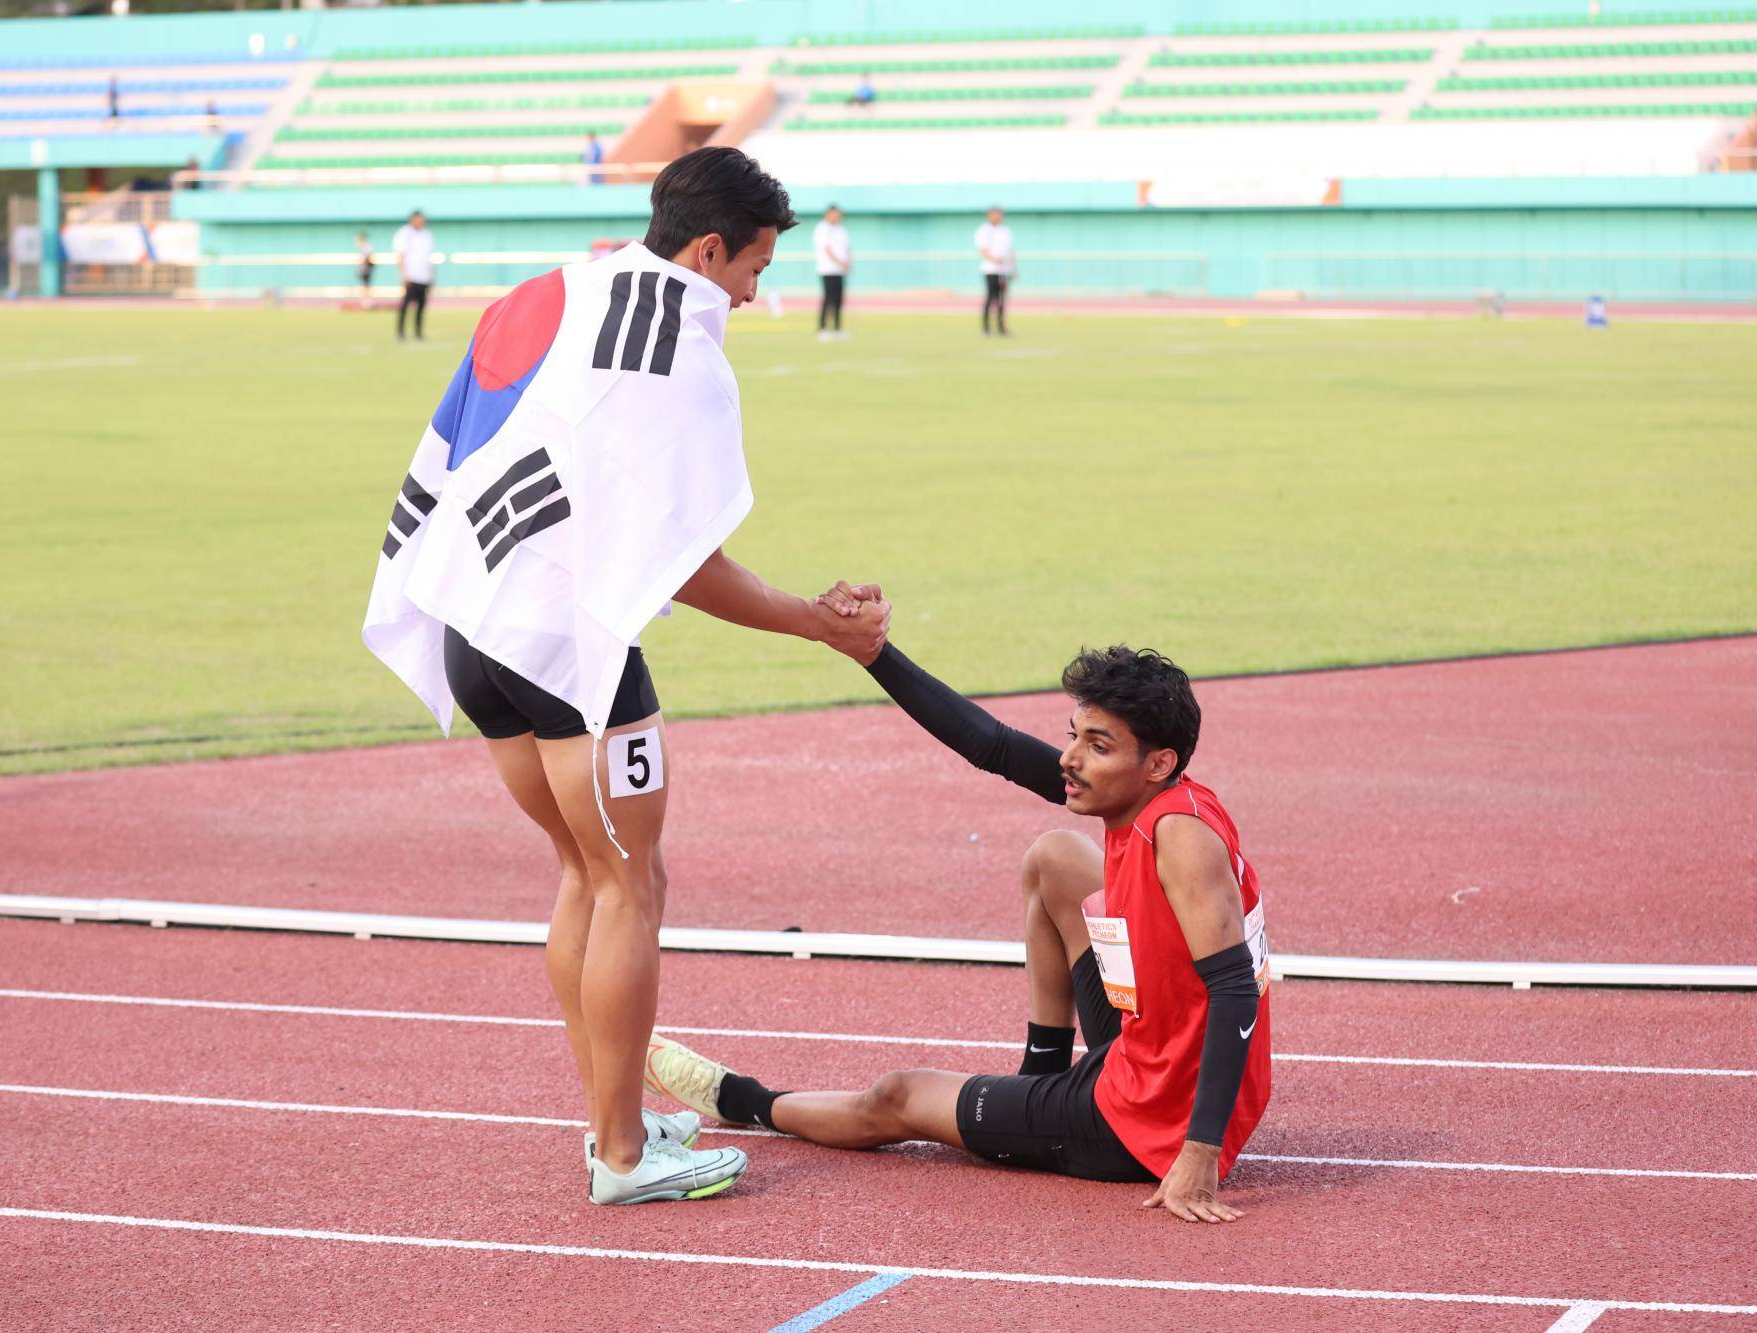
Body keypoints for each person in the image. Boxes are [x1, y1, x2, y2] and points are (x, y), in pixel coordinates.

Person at [363, 147, 891, 1207]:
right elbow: (685, 565)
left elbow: (458, 439)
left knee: (584, 877)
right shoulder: (682, 351)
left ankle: (615, 1116)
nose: (753, 289)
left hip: (472, 620)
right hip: (565, 644)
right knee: (630, 886)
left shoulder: (558, 286)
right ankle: (620, 1153)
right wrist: (817, 626)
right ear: (705, 250)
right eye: (750, 266)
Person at [644, 631, 1272, 1224]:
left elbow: (1237, 990)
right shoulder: (1156, 797)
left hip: (1148, 1118)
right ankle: (1040, 1078)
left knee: (897, 1096)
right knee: (1056, 858)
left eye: (1098, 747)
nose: (1072, 760)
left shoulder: (1182, 837)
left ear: (1158, 762)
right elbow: (990, 744)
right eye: (1074, 736)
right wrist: (875, 654)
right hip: (1148, 1044)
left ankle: (741, 1099)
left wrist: (1199, 1153)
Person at [391, 210, 434, 341]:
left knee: (421, 306)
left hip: (424, 276)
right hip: (411, 275)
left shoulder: (427, 234)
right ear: (412, 220)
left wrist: (431, 276)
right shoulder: (404, 233)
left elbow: (428, 257)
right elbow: (400, 255)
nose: (422, 222)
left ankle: (418, 332)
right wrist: (404, 275)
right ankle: (400, 332)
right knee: (405, 305)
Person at [813, 203, 851, 341]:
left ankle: (837, 328)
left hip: (839, 271)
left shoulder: (842, 230)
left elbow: (847, 249)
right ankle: (822, 328)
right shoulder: (822, 229)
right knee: (828, 299)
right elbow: (827, 250)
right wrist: (840, 262)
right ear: (829, 214)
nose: (838, 217)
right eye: (836, 214)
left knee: (839, 300)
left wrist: (847, 263)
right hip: (827, 270)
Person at [976, 205, 1014, 336]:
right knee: (990, 297)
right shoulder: (984, 230)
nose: (997, 217)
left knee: (1002, 299)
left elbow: (1010, 250)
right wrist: (995, 260)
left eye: (999, 214)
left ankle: (1001, 327)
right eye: (994, 214)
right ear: (989, 216)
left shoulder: (1006, 231)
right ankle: (986, 328)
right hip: (990, 270)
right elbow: (983, 250)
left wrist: (1013, 267)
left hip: (1005, 270)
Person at [355, 231, 375, 300]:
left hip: (367, 266)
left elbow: (367, 257)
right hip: (365, 266)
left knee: (366, 284)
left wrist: (363, 267)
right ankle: (366, 299)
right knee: (365, 283)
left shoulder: (366, 246)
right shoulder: (363, 246)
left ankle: (367, 300)